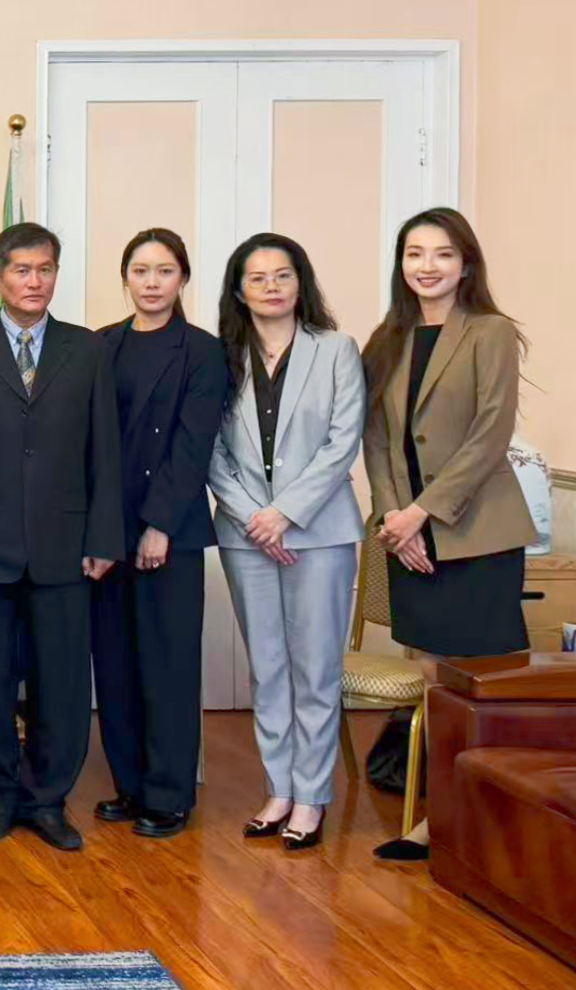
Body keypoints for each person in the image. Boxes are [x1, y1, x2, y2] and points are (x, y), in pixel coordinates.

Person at [361, 207, 535, 862]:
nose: (426, 266)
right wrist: (393, 518)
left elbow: (490, 434)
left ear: (465, 264)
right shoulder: (386, 337)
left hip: (476, 534)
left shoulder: (490, 332)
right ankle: (435, 822)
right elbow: (376, 440)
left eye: (441, 253)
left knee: (479, 683)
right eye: (414, 253)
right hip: (408, 538)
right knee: (432, 682)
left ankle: (488, 823)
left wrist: (422, 512)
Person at [0, 222, 123, 854]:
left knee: (62, 683)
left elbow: (105, 451)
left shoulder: (87, 349)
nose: (35, 281)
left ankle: (48, 798)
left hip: (65, 548)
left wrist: (104, 537)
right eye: (21, 270)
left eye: (45, 269)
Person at [207, 233, 364, 853]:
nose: (271, 287)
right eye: (257, 277)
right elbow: (209, 451)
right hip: (246, 534)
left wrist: (286, 515)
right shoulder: (221, 357)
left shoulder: (336, 350)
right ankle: (279, 789)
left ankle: (312, 796)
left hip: (319, 534)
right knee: (268, 669)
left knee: (315, 669)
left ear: (301, 283)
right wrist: (256, 518)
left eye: (283, 275)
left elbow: (342, 441)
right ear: (238, 291)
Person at [91, 230, 228, 840]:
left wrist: (159, 524)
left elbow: (193, 445)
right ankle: (130, 785)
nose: (152, 282)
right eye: (141, 270)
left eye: (165, 270)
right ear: (125, 277)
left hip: (169, 529)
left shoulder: (202, 351)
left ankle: (170, 794)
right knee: (115, 661)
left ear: (183, 278)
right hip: (107, 529)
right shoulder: (101, 345)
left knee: (168, 663)